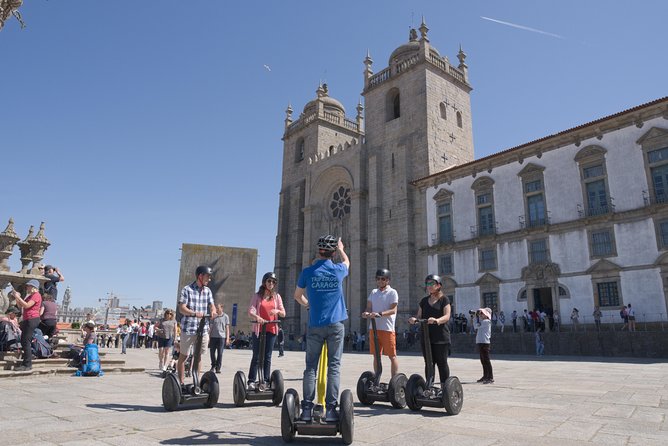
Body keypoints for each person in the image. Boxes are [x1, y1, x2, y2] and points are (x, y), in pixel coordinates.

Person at [294, 235, 350, 422]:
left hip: (315, 325)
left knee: (310, 368)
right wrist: (342, 248)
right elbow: (347, 262)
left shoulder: (307, 272)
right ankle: (332, 410)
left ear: (318, 252)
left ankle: (307, 409)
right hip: (335, 325)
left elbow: (297, 296)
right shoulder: (338, 270)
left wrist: (309, 305)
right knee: (334, 367)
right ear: (332, 253)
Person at [408, 274, 452, 390]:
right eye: (427, 284)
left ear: (438, 286)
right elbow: (419, 316)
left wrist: (437, 320)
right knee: (429, 363)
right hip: (426, 337)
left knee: (442, 363)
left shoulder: (444, 300)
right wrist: (415, 320)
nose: (429, 286)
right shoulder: (423, 301)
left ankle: (444, 387)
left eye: (432, 283)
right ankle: (429, 385)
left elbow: (447, 316)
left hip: (441, 337)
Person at [177, 265, 217, 387]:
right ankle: (181, 383)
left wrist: (214, 311)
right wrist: (194, 314)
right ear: (200, 276)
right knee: (184, 356)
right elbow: (181, 308)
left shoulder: (208, 291)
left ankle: (196, 383)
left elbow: (212, 305)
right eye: (207, 276)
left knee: (198, 356)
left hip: (203, 329)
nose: (209, 279)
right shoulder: (187, 289)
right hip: (188, 328)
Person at [248, 272, 286, 389]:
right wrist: (257, 317)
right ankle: (251, 380)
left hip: (271, 329)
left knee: (268, 356)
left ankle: (265, 379)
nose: (271, 283)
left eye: (273, 282)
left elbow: (283, 313)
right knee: (257, 355)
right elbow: (251, 310)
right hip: (259, 329)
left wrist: (277, 311)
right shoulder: (257, 296)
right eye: (269, 281)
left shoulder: (277, 297)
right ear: (264, 282)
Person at [362, 268, 400, 377]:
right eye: (378, 279)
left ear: (388, 280)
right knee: (376, 355)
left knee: (392, 356)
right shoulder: (374, 292)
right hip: (374, 328)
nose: (380, 281)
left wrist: (379, 314)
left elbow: (393, 310)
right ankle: (377, 377)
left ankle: (395, 380)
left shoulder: (393, 292)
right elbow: (369, 307)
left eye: (383, 279)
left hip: (387, 328)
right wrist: (366, 313)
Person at [11, 279, 43, 371]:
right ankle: (26, 362)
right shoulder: (30, 296)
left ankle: (27, 364)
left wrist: (19, 297)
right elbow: (20, 305)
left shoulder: (36, 295)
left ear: (33, 287)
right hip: (28, 319)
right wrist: (17, 297)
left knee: (26, 341)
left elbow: (27, 306)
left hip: (32, 319)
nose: (27, 287)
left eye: (29, 286)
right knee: (24, 340)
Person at [209, 302, 230, 374]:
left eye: (218, 308)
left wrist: (227, 338)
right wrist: (209, 337)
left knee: (220, 353)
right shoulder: (213, 316)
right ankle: (213, 365)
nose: (217, 309)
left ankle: (218, 367)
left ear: (222, 308)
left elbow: (227, 328)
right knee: (212, 352)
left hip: (221, 337)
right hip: (213, 337)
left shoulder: (226, 316)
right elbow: (210, 327)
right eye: (216, 308)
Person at [474, 307, 494, 384]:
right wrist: (475, 318)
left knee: (486, 360)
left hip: (485, 343)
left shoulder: (486, 321)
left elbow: (476, 326)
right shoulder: (482, 321)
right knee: (483, 361)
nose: (481, 315)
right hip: (480, 342)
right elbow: (475, 326)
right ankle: (485, 376)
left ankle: (490, 377)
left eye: (482, 313)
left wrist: (475, 318)